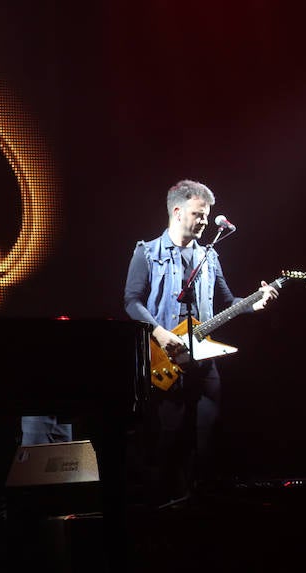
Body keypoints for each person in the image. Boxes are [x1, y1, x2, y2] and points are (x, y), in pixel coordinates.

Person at [123, 180, 278, 507]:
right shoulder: (147, 252)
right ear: (177, 212)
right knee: (168, 438)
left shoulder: (209, 256)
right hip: (165, 356)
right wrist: (159, 333)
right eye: (198, 214)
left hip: (203, 359)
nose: (206, 222)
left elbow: (227, 300)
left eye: (207, 215)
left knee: (207, 435)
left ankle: (200, 503)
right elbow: (132, 301)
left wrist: (254, 302)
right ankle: (161, 506)